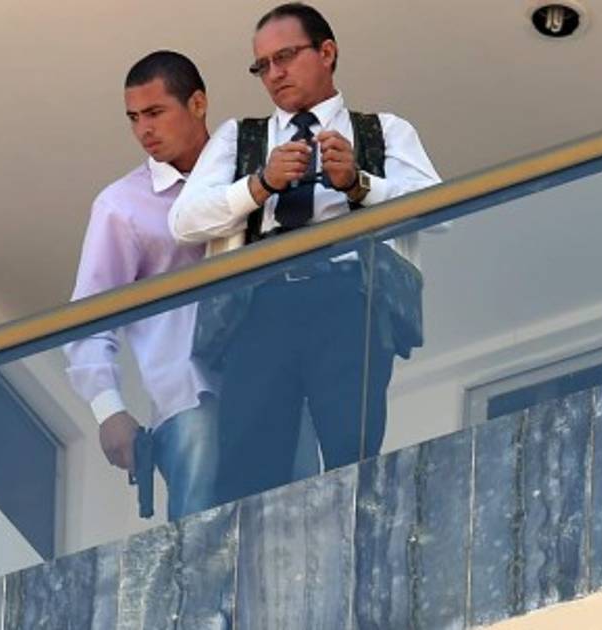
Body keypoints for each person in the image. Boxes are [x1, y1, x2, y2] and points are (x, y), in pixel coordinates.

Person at [169, 2, 443, 504]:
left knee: (351, 451)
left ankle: (356, 540)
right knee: (248, 463)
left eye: (285, 57)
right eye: (262, 65)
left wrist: (359, 183)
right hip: (259, 306)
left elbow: (439, 210)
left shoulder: (384, 130)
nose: (274, 74)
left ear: (327, 52)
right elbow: (183, 222)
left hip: (349, 299)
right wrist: (259, 185)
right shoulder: (241, 137)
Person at [63, 51, 220, 521]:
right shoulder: (122, 206)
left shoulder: (250, 173)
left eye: (155, 112)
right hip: (189, 400)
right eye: (134, 118)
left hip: (277, 385)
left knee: (300, 527)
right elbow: (88, 318)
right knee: (199, 542)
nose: (143, 130)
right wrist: (108, 409)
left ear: (198, 103)